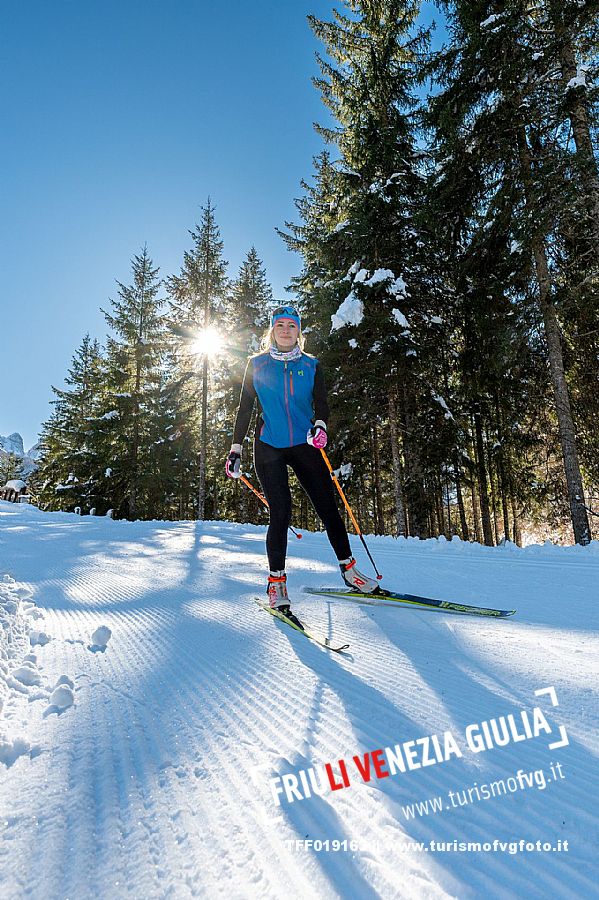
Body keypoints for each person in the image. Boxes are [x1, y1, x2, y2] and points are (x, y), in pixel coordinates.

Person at [225, 303, 379, 618]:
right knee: (280, 513)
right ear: (272, 330)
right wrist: (236, 449)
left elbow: (320, 402)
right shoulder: (257, 364)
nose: (285, 330)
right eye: (280, 325)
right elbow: (245, 408)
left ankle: (349, 570)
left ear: (299, 332)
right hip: (269, 446)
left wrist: (320, 426)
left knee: (328, 507)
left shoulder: (312, 365)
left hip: (306, 444)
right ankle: (276, 583)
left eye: (291, 326)